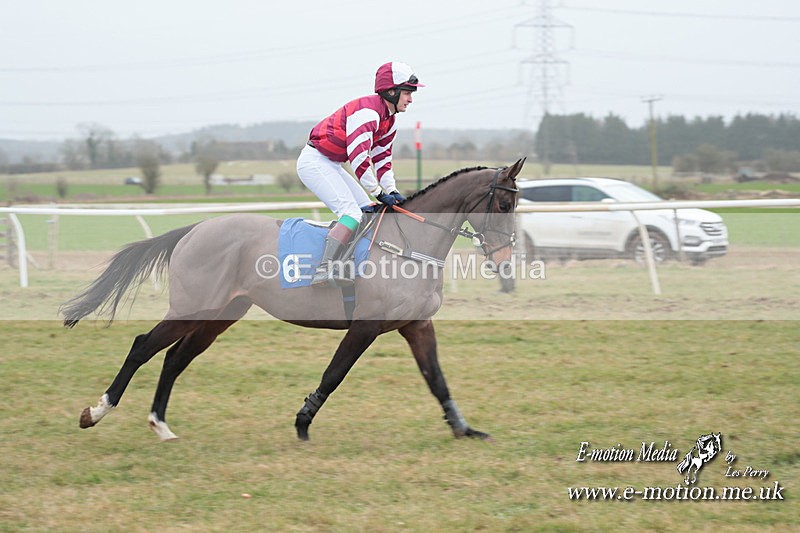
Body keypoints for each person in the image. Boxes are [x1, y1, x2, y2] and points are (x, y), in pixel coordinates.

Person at [297, 61, 424, 286]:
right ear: (391, 91)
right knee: (352, 213)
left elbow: (382, 159)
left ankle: (347, 263)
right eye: (407, 93)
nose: (411, 99)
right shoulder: (368, 113)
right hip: (315, 162)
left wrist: (392, 190)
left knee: (367, 211)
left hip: (332, 163)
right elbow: (359, 157)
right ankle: (324, 269)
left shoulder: (389, 119)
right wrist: (377, 191)